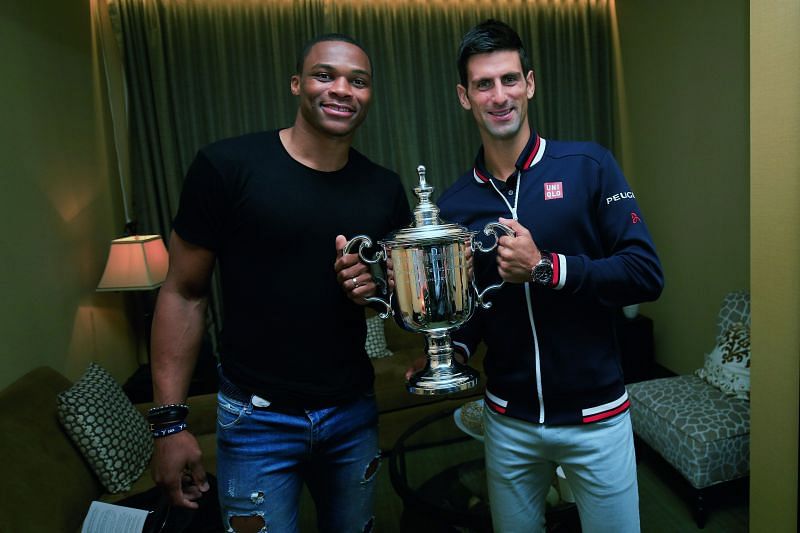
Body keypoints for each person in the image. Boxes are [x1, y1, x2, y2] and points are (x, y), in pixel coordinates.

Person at [148, 33, 410, 533]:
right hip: (256, 420)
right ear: (296, 84)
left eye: (358, 81)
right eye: (323, 75)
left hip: (352, 412)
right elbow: (184, 292)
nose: (341, 89)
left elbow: (398, 297)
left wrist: (372, 288)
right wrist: (170, 424)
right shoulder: (227, 167)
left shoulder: (383, 188)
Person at [435, 19, 664, 532]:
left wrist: (546, 268)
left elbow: (645, 274)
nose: (499, 96)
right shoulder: (454, 204)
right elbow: (474, 303)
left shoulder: (589, 166)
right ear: (463, 96)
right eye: (483, 84)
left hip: (596, 417)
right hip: (509, 421)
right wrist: (450, 351)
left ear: (530, 83)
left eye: (510, 79)